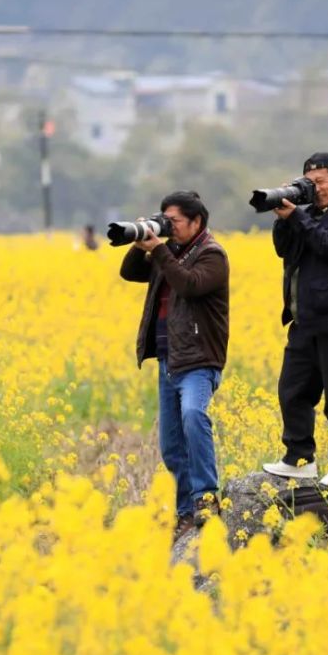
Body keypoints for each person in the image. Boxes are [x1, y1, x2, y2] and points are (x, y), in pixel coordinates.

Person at [119, 191, 230, 538]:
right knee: (171, 445)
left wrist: (159, 250)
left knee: (194, 417)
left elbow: (189, 284)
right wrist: (141, 243)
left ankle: (206, 498)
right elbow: (129, 273)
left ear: (197, 222)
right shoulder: (168, 252)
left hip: (198, 359)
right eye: (164, 220)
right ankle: (186, 513)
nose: (169, 227)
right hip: (169, 359)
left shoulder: (212, 255)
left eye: (174, 221)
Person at [261, 152, 328, 486]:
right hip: (303, 322)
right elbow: (284, 249)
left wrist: (297, 217)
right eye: (310, 183)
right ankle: (299, 459)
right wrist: (284, 218)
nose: (316, 188)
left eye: (321, 181)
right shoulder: (307, 215)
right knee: (292, 392)